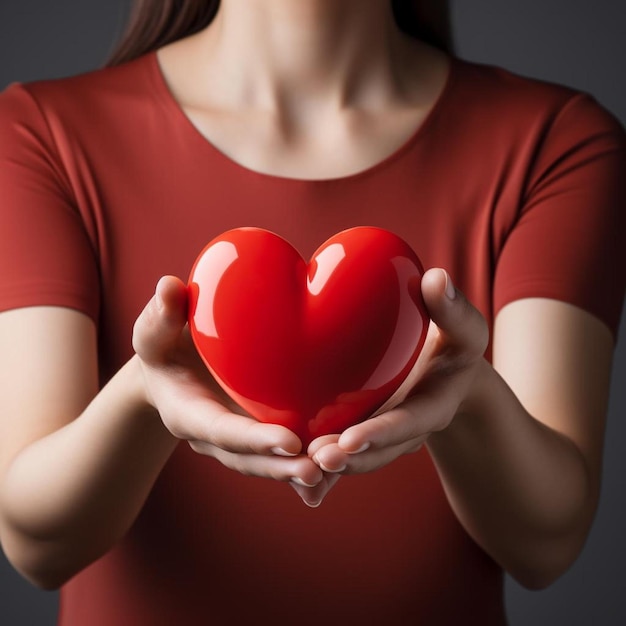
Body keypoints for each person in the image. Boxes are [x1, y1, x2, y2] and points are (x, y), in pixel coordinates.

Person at [0, 0, 624, 624]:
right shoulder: (40, 132)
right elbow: (36, 544)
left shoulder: (555, 142)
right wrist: (145, 394)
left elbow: (547, 547)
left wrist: (470, 396)